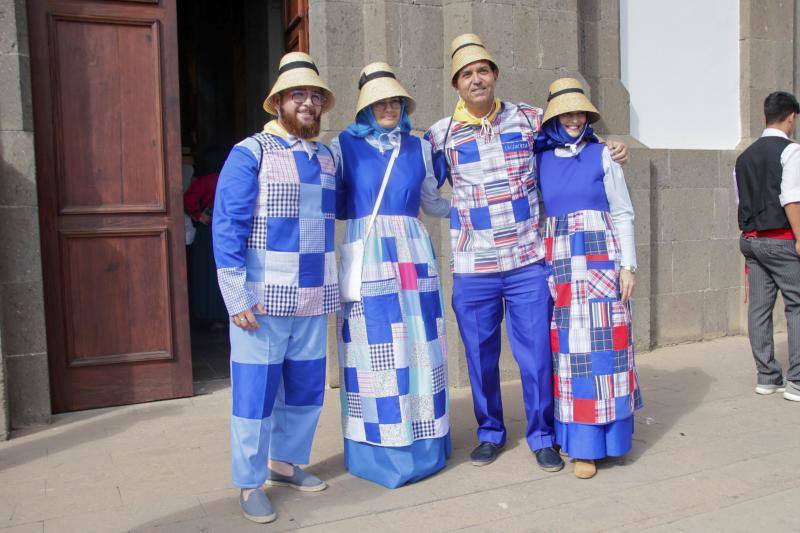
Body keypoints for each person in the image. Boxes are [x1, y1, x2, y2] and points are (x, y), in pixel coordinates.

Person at [425, 34, 628, 472]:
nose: (476, 79)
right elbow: (425, 186)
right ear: (456, 84)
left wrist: (608, 147)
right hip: (473, 268)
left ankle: (542, 435)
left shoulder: (529, 119)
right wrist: (454, 212)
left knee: (536, 354)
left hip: (527, 264)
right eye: (466, 74)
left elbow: (571, 134)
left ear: (495, 75)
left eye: (483, 71)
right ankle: (490, 432)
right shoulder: (441, 134)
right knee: (479, 357)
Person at [212, 52, 339, 524]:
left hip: (313, 295)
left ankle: (285, 464)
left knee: (306, 392)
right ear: (279, 102)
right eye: (297, 95)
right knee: (254, 396)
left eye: (314, 96)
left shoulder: (325, 156)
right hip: (262, 301)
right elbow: (228, 225)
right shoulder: (250, 153)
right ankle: (248, 483)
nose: (307, 103)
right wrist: (235, 295)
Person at [331, 62, 451, 488]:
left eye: (394, 100)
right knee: (372, 349)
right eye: (380, 101)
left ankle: (424, 445)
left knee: (421, 345)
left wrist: (477, 203)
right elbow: (329, 201)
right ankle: (379, 451)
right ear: (366, 106)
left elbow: (433, 202)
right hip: (368, 252)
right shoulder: (342, 145)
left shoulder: (418, 148)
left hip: (414, 253)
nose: (388, 107)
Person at [533, 78, 643, 479]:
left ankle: (610, 440)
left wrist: (628, 265)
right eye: (566, 113)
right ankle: (581, 445)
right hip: (561, 265)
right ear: (553, 118)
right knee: (571, 356)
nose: (574, 119)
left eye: (579, 112)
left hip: (603, 262)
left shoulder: (604, 156)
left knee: (609, 353)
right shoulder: (538, 159)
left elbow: (623, 211)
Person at [736, 91, 800, 403]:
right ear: (791, 117)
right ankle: (797, 381)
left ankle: (767, 377)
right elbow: (791, 197)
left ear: (765, 116)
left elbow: (741, 200)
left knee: (759, 309)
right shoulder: (791, 151)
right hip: (781, 240)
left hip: (751, 241)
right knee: (797, 306)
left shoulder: (744, 156)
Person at [185, 169, 228, 328]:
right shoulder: (236, 175)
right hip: (232, 228)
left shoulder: (207, 180)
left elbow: (188, 199)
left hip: (210, 230)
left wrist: (199, 216)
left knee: (209, 273)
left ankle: (212, 316)